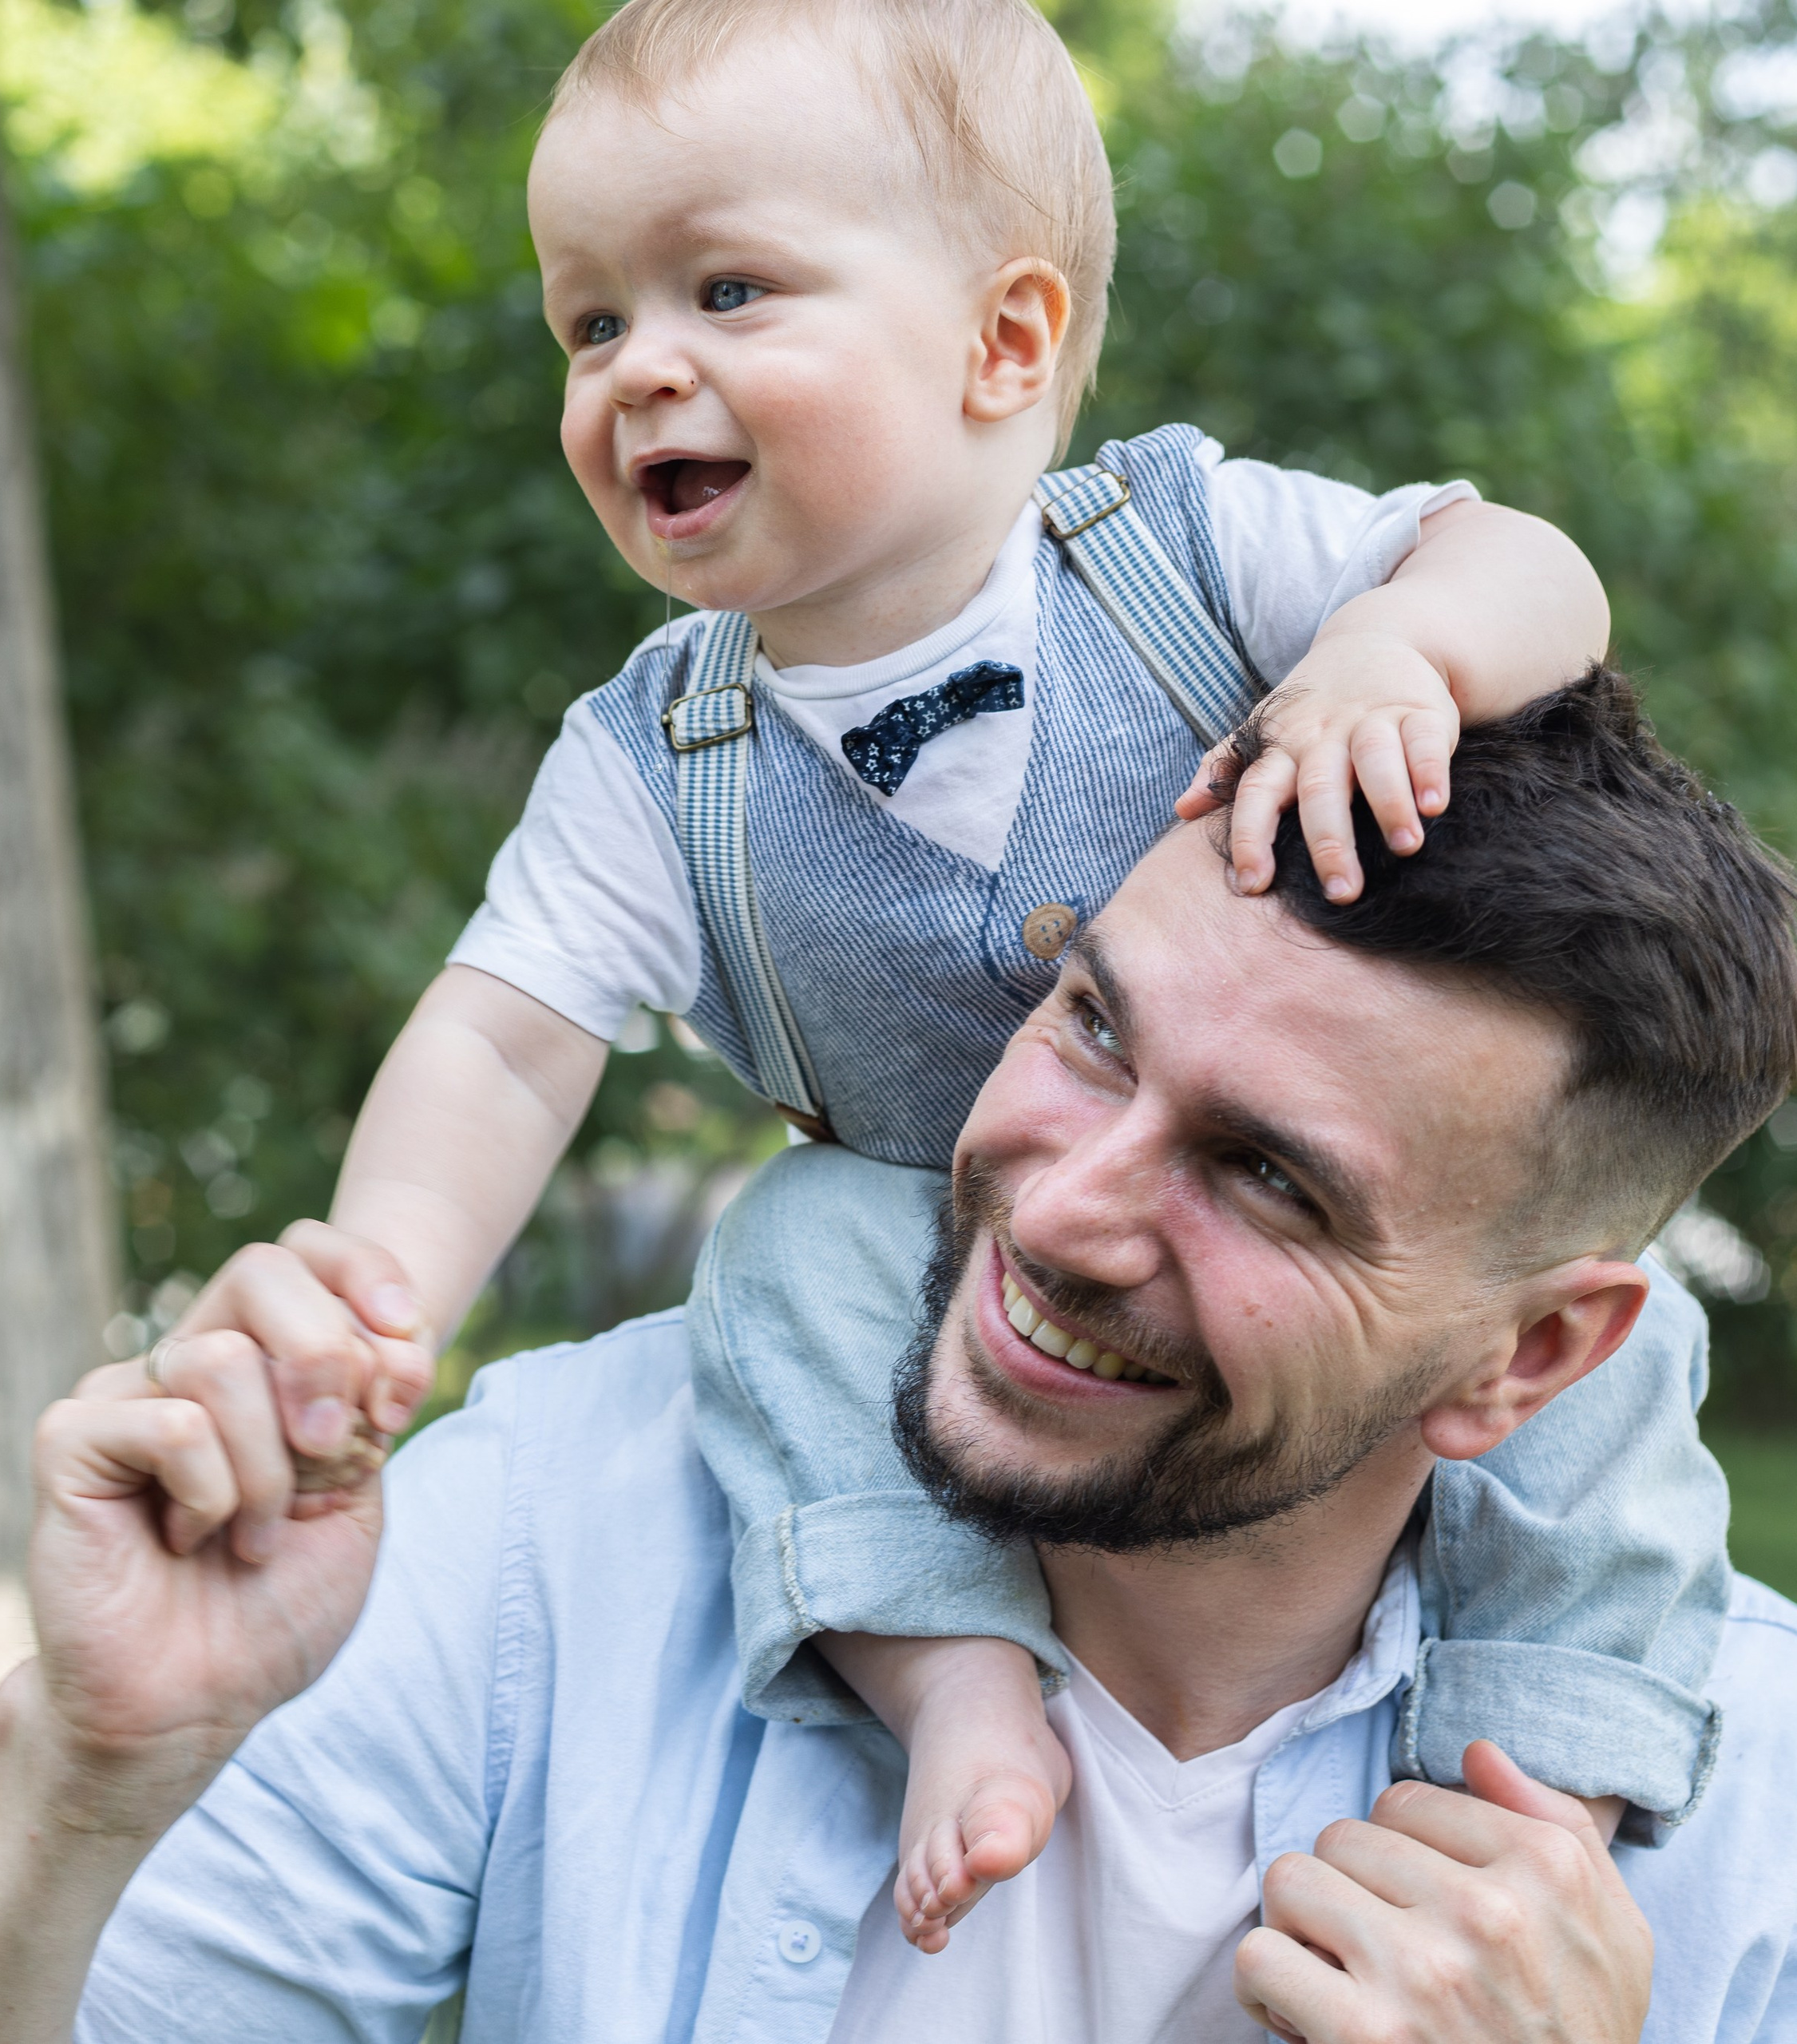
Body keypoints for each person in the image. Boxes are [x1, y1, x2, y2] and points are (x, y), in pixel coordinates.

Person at [0, 671, 1797, 2042]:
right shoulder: (553, 1521)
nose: (1063, 1204)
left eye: (1264, 1177)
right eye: (1091, 1023)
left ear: (1525, 1354)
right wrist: (83, 1773)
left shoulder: (1739, 1817)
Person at [291, 0, 1717, 1943]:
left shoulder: (1185, 548)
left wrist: (1404, 655)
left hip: (1249, 1228)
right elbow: (502, 1034)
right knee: (779, 1260)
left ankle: (1549, 1756)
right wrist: (377, 1300)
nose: (639, 370)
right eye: (590, 322)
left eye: (724, 288)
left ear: (1006, 342)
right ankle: (943, 1667)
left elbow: (1527, 562)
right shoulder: (644, 762)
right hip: (923, 1217)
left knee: (1611, 1377)